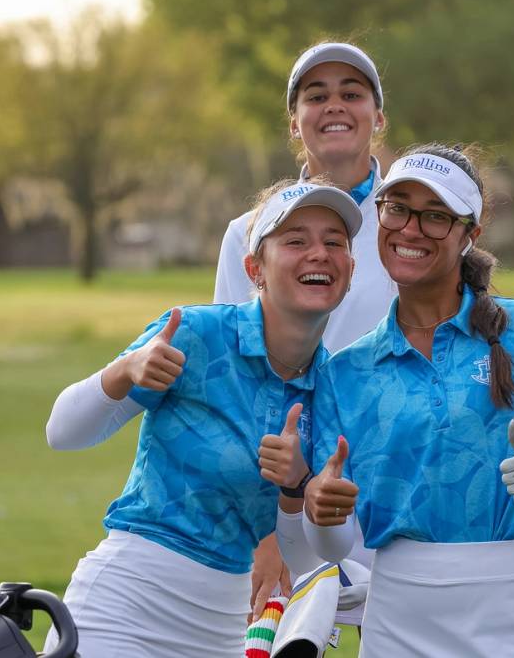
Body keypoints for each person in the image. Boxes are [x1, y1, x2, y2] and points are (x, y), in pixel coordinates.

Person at [269, 144, 514, 657]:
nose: (410, 229)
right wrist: (320, 509)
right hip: (399, 613)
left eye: (435, 216)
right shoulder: (344, 372)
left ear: (470, 234)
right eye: (398, 208)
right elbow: (333, 547)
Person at [43, 180, 362, 657]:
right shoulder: (194, 334)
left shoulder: (335, 389)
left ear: (350, 268)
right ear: (255, 268)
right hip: (122, 605)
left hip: (223, 627)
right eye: (296, 240)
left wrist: (296, 487)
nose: (318, 253)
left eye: (333, 242)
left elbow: (304, 557)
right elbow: (62, 434)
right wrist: (124, 371)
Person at [213, 40, 396, 623]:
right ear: (295, 123)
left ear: (378, 116)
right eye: (315, 96)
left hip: (391, 492)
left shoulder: (416, 220)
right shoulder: (247, 232)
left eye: (352, 93)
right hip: (283, 498)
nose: (334, 106)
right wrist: (268, 530)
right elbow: (236, 387)